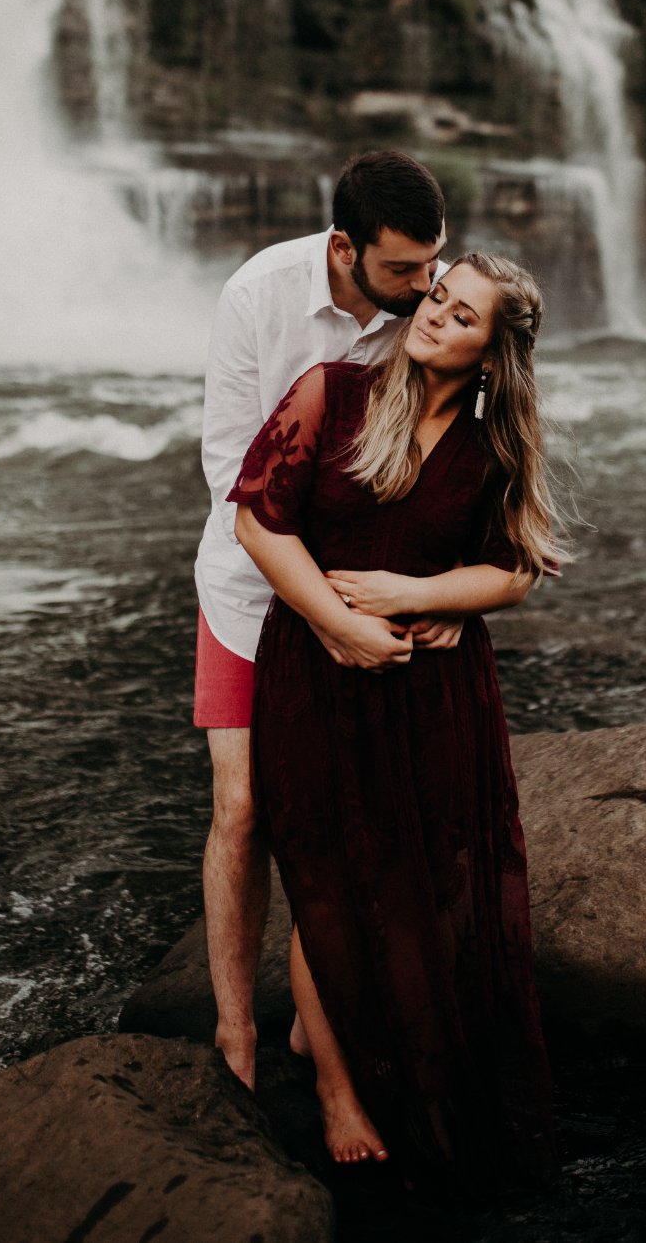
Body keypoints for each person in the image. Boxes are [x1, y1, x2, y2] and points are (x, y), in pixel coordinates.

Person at [231, 253, 560, 1183]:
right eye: (439, 297)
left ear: (492, 356)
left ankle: (421, 1055)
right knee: (329, 881)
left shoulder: (494, 447)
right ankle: (336, 1091)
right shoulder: (331, 392)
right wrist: (341, 625)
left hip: (431, 694)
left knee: (430, 879)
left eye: (462, 318)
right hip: (317, 675)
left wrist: (433, 595)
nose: (436, 316)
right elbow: (259, 521)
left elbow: (515, 569)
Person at [195, 152, 454, 1089]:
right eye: (402, 271)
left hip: (363, 586)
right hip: (245, 583)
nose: (423, 289)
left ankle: (320, 1026)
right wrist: (328, 612)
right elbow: (231, 476)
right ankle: (233, 1035)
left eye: (433, 266)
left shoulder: (422, 314)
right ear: (343, 247)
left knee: (334, 818)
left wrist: (431, 594)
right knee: (244, 807)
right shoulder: (258, 293)